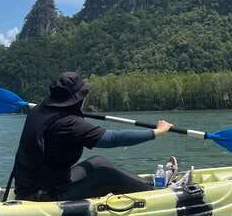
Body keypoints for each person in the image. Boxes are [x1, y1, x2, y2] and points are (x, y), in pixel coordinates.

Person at [12, 71, 175, 201]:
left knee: (98, 162)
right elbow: (114, 139)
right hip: (43, 195)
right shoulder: (68, 124)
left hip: (36, 185)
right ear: (76, 99)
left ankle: (150, 183)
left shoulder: (38, 111)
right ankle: (157, 194)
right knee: (106, 173)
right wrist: (157, 132)